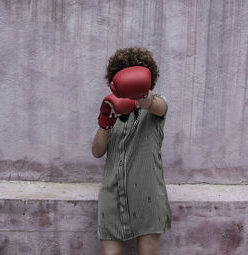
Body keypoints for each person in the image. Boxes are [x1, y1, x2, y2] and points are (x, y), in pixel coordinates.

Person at [92, 47, 172, 255]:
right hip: (112, 194)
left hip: (147, 194)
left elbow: (153, 104)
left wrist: (141, 96)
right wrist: (105, 122)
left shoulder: (156, 105)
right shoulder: (113, 108)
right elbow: (97, 152)